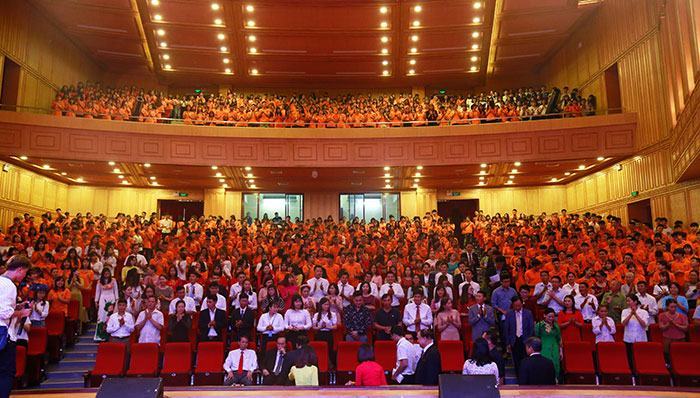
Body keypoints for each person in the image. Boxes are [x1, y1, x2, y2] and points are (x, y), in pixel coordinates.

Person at [0, 256, 31, 398]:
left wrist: (16, 306)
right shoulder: (9, 285)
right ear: (19, 269)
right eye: (25, 272)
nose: (24, 275)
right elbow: (4, 313)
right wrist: (21, 313)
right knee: (6, 372)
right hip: (4, 333)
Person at [504, 296, 534, 375]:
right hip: (514, 340)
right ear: (512, 305)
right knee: (516, 360)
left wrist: (529, 341)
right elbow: (507, 329)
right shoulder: (509, 314)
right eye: (515, 305)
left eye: (519, 305)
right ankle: (518, 377)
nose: (517, 307)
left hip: (525, 340)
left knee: (526, 360)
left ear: (522, 304)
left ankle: (526, 377)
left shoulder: (528, 313)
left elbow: (531, 328)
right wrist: (508, 343)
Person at [534, 308, 561, 382]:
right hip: (543, 348)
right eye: (549, 316)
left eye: (553, 317)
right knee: (544, 364)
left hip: (554, 348)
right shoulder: (539, 325)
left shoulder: (556, 326)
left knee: (555, 364)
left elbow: (559, 339)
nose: (551, 318)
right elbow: (536, 338)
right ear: (544, 315)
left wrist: (561, 351)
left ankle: (555, 381)